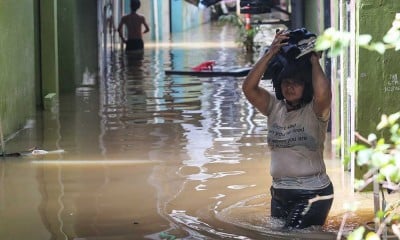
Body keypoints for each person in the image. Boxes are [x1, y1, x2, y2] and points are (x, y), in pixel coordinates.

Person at [242, 29, 334, 229]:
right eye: (286, 82)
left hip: (313, 192)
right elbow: (248, 88)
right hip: (279, 193)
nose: (290, 87)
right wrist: (270, 53)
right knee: (277, 234)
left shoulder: (315, 111)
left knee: (291, 236)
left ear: (307, 85)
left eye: (297, 83)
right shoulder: (274, 107)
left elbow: (324, 92)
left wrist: (313, 60)